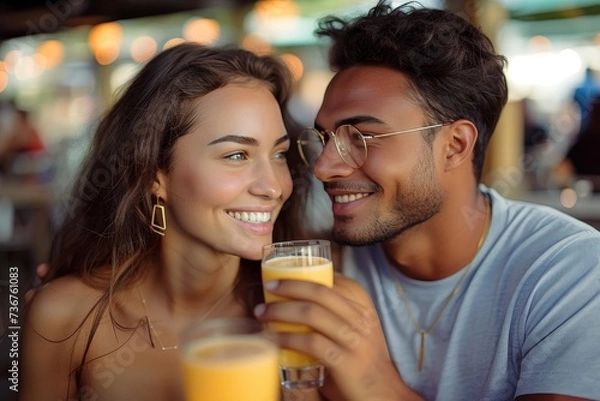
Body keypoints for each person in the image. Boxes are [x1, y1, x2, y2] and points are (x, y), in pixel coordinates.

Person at [254, 2, 600, 400]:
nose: (325, 167)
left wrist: (374, 383)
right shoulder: (319, 269)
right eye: (326, 139)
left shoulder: (567, 272)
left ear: (454, 146)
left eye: (361, 138)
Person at [20, 42, 347, 401]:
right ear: (153, 175)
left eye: (279, 154)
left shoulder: (303, 312)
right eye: (236, 154)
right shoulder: (64, 317)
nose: (273, 187)